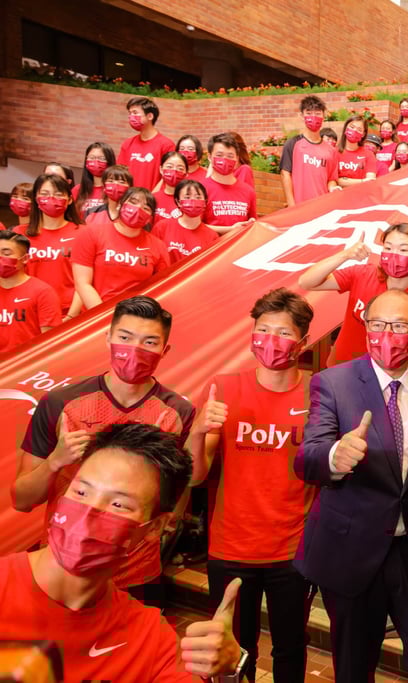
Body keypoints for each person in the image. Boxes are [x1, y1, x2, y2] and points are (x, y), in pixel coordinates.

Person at [0, 422, 245, 682]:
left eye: (118, 504)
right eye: (81, 491)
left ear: (156, 527)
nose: (89, 512)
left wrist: (229, 671)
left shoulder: (148, 639)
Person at [294, 288, 408, 681]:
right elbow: (307, 457)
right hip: (352, 548)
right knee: (353, 666)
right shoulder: (334, 382)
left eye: (399, 325)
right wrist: (335, 457)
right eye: (377, 324)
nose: (387, 335)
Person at [12, 296, 195, 601]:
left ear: (165, 351)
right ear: (108, 338)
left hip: (137, 576)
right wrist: (56, 461)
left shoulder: (179, 413)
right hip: (61, 570)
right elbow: (21, 499)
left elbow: (175, 504)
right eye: (125, 337)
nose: (134, 349)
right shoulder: (59, 403)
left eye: (149, 342)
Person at [189, 288, 317, 682]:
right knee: (233, 650)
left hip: (293, 550)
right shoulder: (223, 388)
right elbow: (194, 474)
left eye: (282, 332)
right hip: (231, 548)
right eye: (262, 330)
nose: (270, 341)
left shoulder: (320, 391)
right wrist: (197, 431)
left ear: (303, 341)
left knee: (290, 647)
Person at [299, 222, 408, 365]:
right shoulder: (362, 275)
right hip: (341, 367)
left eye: (403, 250)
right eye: (388, 248)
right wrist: (346, 255)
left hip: (384, 377)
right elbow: (306, 282)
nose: (394, 255)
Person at [72, 187, 170, 309]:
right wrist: (104, 317)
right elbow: (82, 283)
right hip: (95, 316)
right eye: (133, 203)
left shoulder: (158, 246)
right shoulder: (91, 233)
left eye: (146, 208)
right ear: (120, 204)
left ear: (149, 218)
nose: (138, 209)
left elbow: (160, 288)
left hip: (136, 317)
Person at [19, 173, 83, 317]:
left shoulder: (82, 233)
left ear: (70, 199)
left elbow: (85, 281)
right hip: (29, 313)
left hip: (69, 313)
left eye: (58, 194)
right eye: (45, 194)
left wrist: (71, 316)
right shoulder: (19, 234)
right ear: (36, 198)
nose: (51, 199)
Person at [0, 229, 61, 352]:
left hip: (28, 365)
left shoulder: (42, 292)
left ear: (25, 258)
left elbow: (50, 343)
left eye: (6, 254)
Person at [281, 95, 339, 206]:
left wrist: (333, 188)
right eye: (309, 113)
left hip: (322, 207)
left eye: (317, 114)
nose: (313, 117)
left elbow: (332, 179)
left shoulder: (331, 151)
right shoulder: (293, 143)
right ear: (302, 115)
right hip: (299, 207)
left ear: (324, 116)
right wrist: (291, 205)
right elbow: (285, 174)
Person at [152, 179, 219, 264]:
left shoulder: (212, 236)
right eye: (187, 197)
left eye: (198, 197)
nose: (193, 201)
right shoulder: (162, 227)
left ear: (205, 202)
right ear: (178, 201)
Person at [200, 133, 257, 231]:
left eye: (230, 156)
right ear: (209, 157)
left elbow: (253, 223)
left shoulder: (248, 191)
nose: (225, 160)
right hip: (213, 245)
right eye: (219, 155)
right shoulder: (200, 189)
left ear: (237, 158)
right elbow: (195, 226)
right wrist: (230, 230)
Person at [117, 96, 175, 190]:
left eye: (135, 113)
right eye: (130, 113)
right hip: (129, 200)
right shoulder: (128, 144)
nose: (131, 117)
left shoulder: (166, 145)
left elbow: (168, 178)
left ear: (150, 116)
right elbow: (120, 173)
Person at [329, 116, 377, 189]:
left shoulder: (369, 154)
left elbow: (370, 181)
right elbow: (334, 180)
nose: (354, 131)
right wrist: (362, 181)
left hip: (361, 196)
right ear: (345, 128)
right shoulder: (334, 152)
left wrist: (344, 181)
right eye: (352, 127)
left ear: (363, 134)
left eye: (359, 129)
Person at [73, 142, 116, 214]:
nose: (96, 162)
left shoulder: (116, 190)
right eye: (91, 158)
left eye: (102, 158)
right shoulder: (77, 190)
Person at [151, 151, 188, 221]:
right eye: (169, 167)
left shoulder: (189, 200)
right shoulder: (153, 199)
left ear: (186, 173)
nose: (174, 170)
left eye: (180, 168)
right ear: (161, 170)